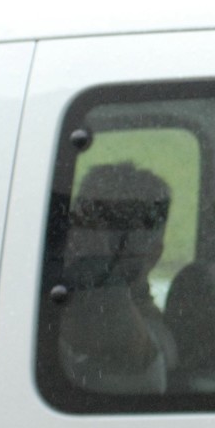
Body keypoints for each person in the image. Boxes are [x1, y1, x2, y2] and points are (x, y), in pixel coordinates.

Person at [57, 161, 177, 393]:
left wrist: (103, 275)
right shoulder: (66, 304)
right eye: (81, 226)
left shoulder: (149, 340)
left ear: (153, 255)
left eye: (117, 236)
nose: (80, 245)